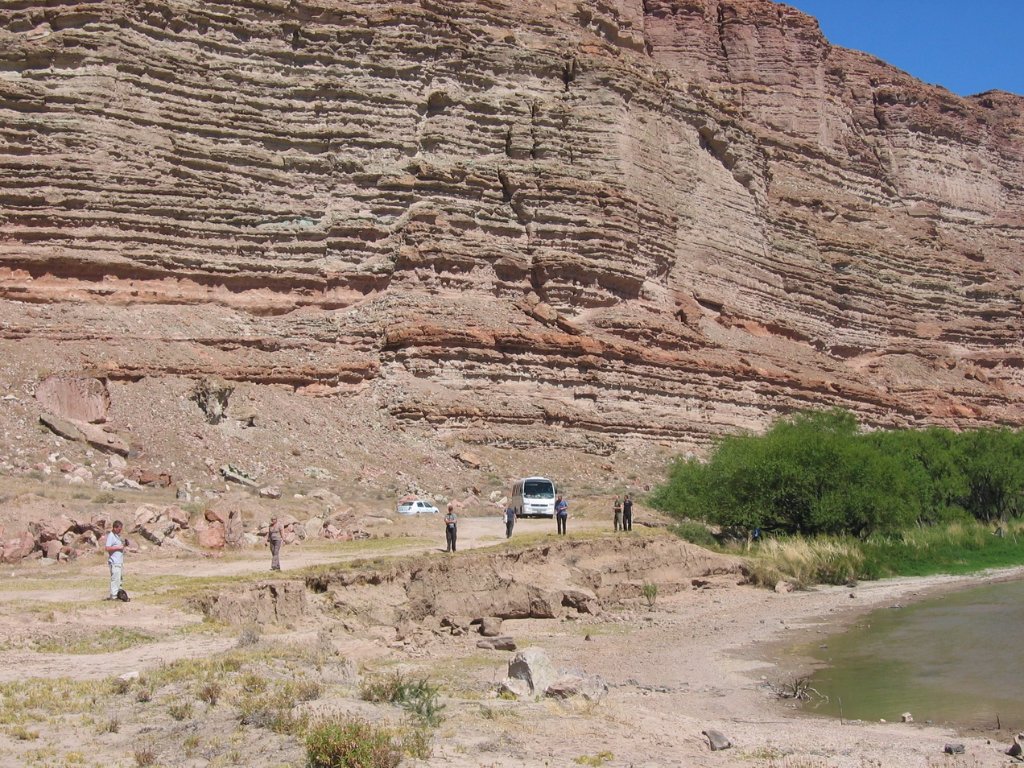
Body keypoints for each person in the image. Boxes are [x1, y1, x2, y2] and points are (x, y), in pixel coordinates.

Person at [104, 520, 128, 601]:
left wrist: (124, 544)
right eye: (119, 529)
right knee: (115, 579)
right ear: (115, 528)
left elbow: (119, 546)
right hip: (114, 562)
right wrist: (118, 547)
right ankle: (113, 596)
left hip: (119, 561)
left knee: (119, 579)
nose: (120, 530)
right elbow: (107, 548)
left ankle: (119, 594)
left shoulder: (117, 536)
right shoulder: (111, 536)